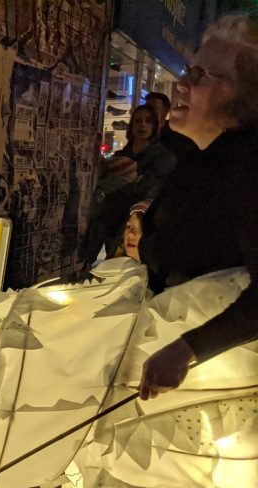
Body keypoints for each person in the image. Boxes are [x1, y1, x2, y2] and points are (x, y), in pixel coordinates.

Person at [138, 12, 258, 399]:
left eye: (200, 76)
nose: (182, 84)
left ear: (247, 95)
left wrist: (189, 350)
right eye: (188, 70)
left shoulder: (248, 164)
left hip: (213, 387)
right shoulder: (210, 161)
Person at [79, 104, 176, 267]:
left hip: (135, 222)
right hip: (108, 219)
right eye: (138, 121)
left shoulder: (163, 157)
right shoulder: (121, 157)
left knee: (122, 270)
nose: (143, 125)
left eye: (148, 121)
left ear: (155, 126)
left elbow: (148, 189)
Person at [143, 91, 199, 164]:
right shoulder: (141, 131)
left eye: (154, 108)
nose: (148, 111)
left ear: (166, 110)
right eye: (146, 107)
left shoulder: (177, 134)